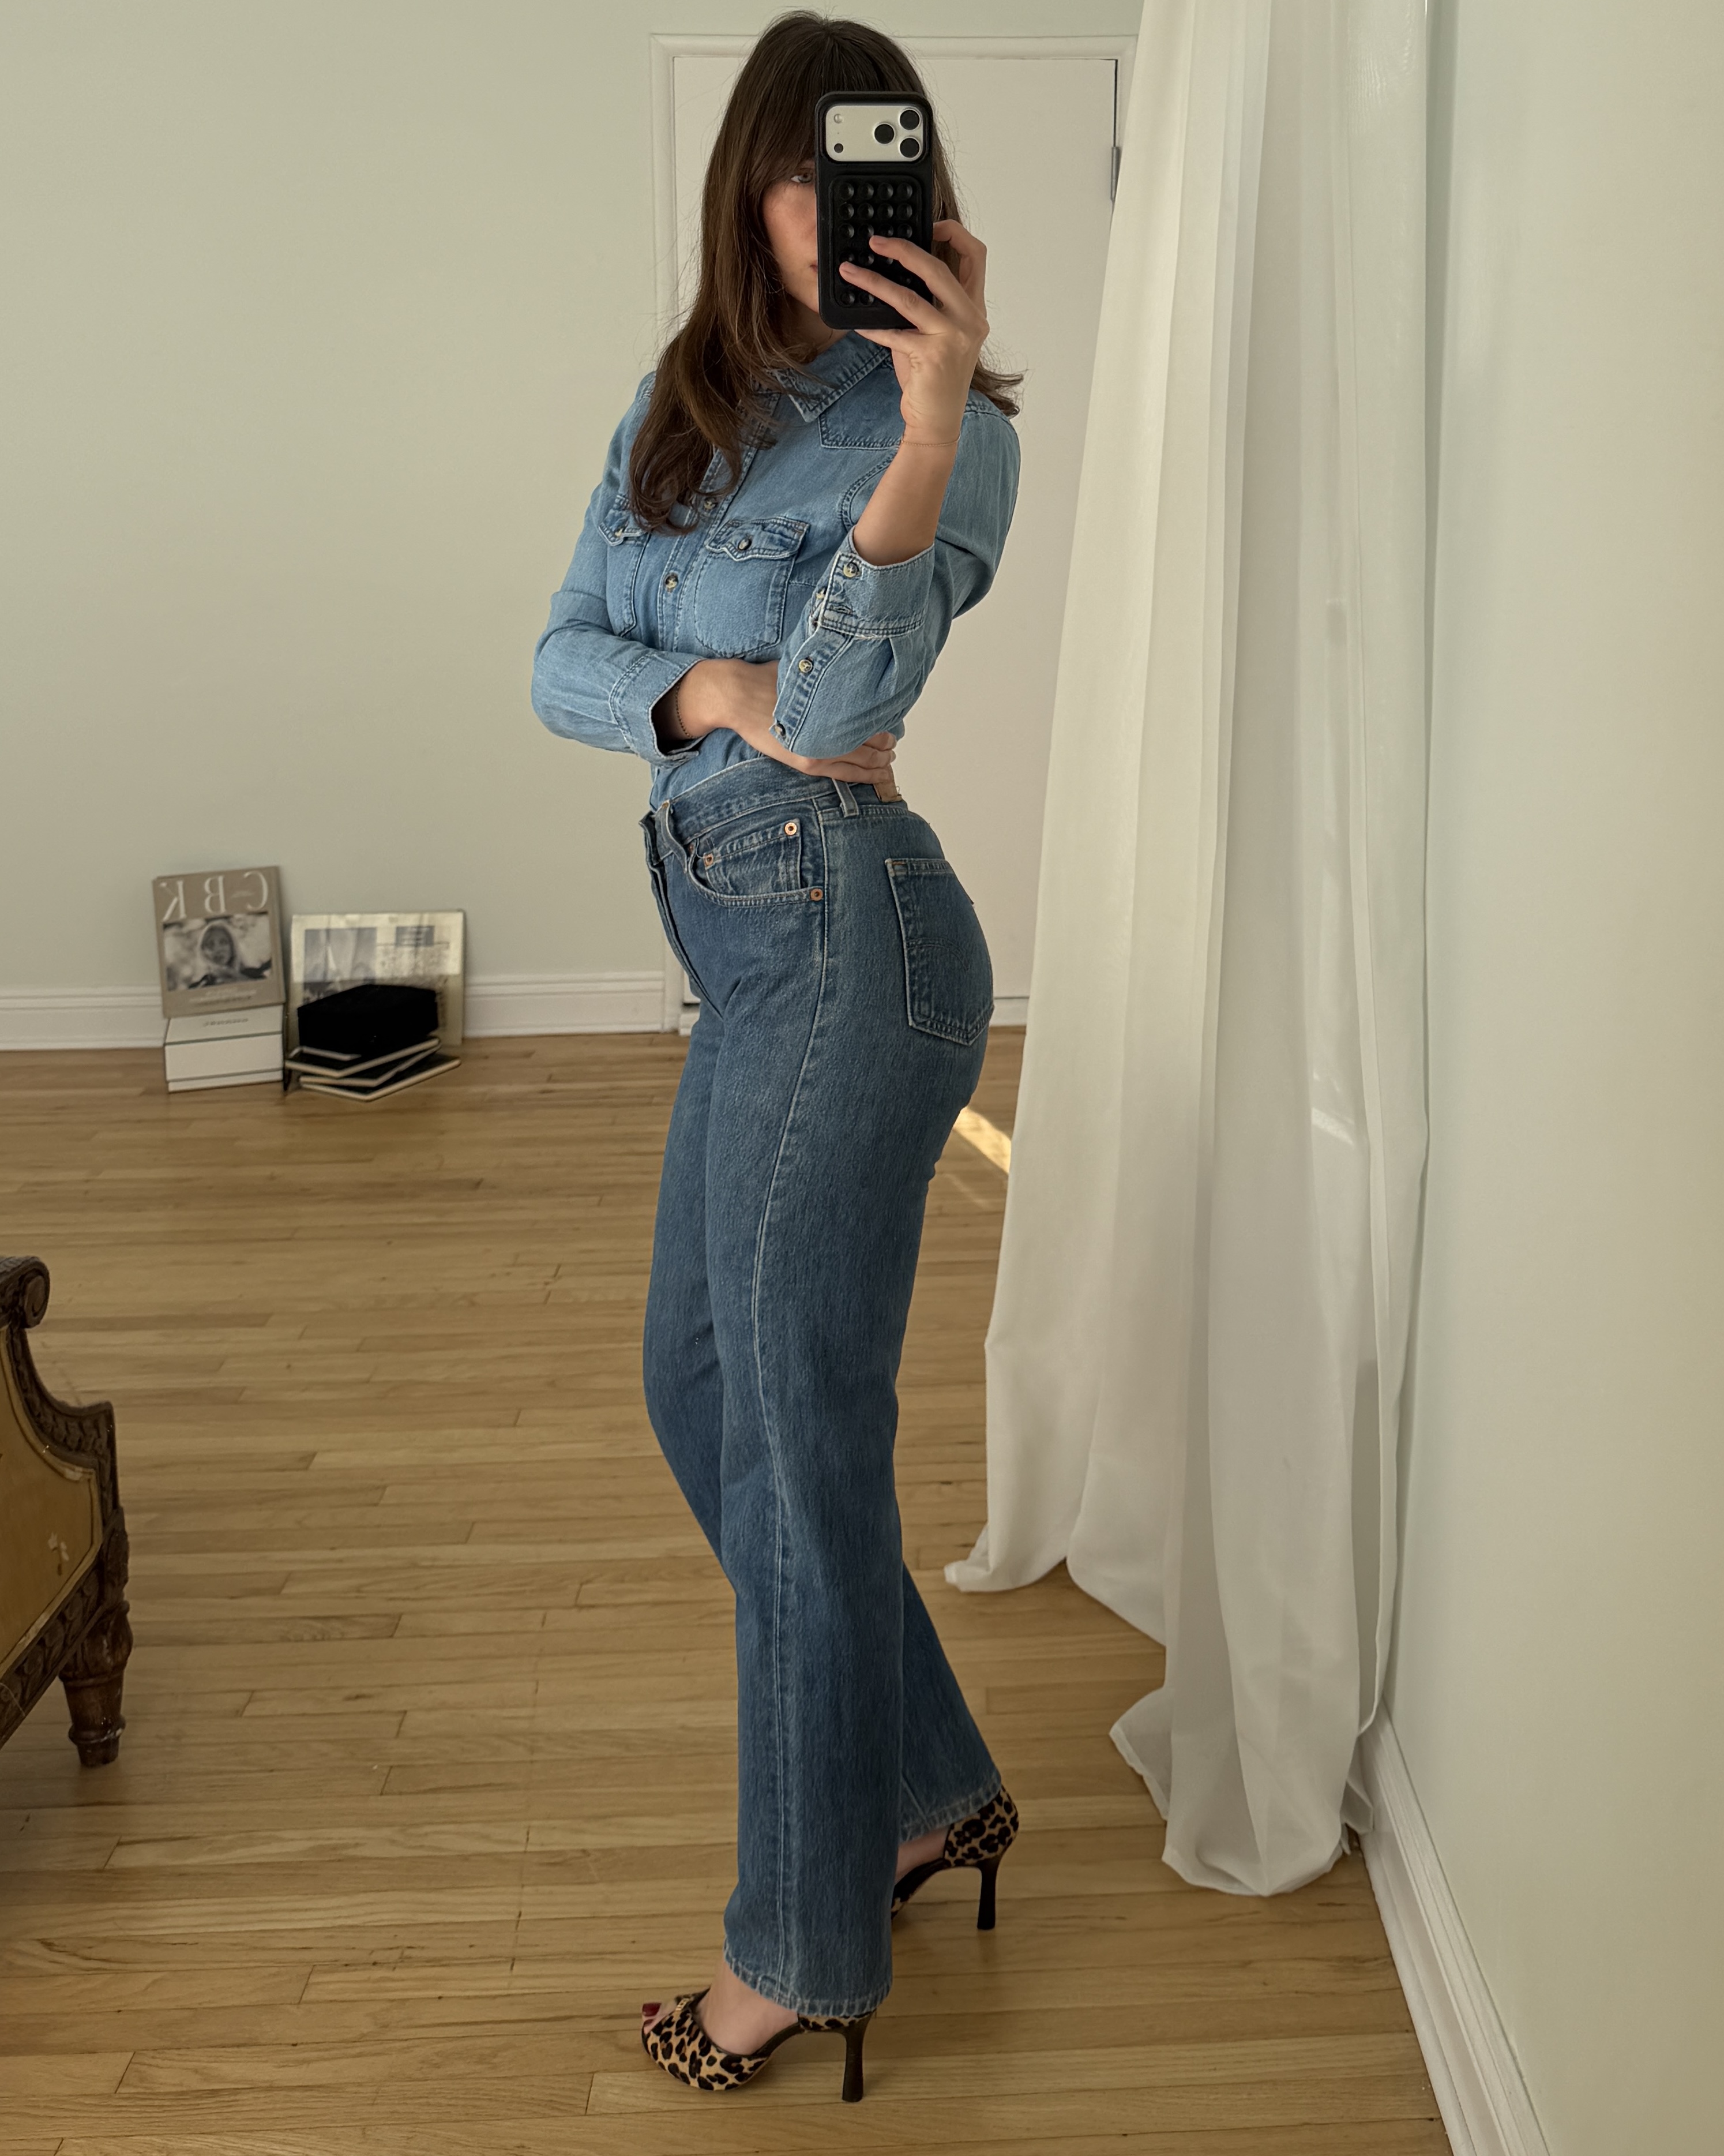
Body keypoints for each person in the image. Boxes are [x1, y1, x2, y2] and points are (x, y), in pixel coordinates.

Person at [531, 12, 1021, 2103]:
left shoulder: (955, 433)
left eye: (874, 173)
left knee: (799, 1439)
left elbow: (837, 701)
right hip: (749, 953)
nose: (838, 212)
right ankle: (922, 1788)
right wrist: (703, 680)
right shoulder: (683, 405)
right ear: (751, 185)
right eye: (808, 175)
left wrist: (913, 438)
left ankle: (801, 1949)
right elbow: (556, 659)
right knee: (698, 1386)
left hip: (852, 933)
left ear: (923, 192)